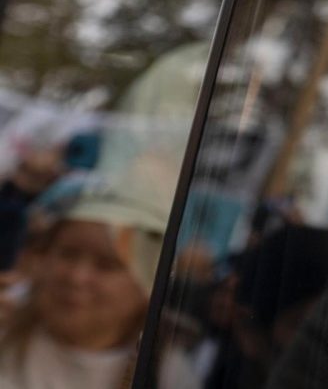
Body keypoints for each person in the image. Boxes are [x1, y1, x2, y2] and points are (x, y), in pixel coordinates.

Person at [0, 43, 206, 389]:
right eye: (67, 253)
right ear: (38, 257)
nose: (78, 277)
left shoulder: (171, 378)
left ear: (148, 281)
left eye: (107, 264)